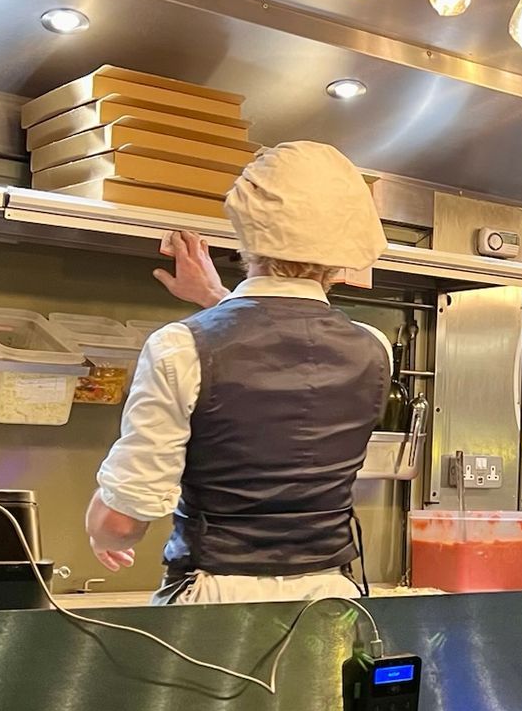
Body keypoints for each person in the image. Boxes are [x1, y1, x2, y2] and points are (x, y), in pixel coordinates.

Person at [84, 141, 391, 604]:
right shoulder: (375, 348)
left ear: (246, 228)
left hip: (215, 604)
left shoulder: (179, 347)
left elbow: (123, 522)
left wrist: (103, 535)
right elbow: (281, 338)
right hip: (333, 597)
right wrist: (218, 299)